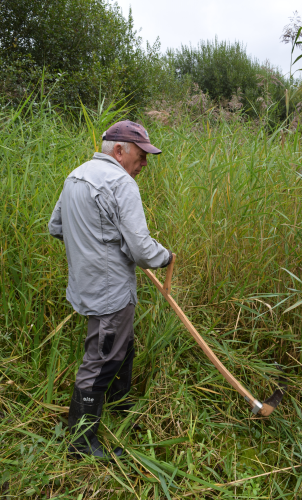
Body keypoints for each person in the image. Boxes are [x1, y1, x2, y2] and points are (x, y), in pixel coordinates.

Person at [48, 120, 172, 460]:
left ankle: (118, 399)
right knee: (103, 356)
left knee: (121, 342)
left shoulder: (76, 175)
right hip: (110, 292)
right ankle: (81, 441)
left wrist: (93, 245)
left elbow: (56, 226)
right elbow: (142, 251)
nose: (144, 164)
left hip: (85, 284)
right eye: (141, 156)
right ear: (119, 150)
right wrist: (167, 257)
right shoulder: (122, 182)